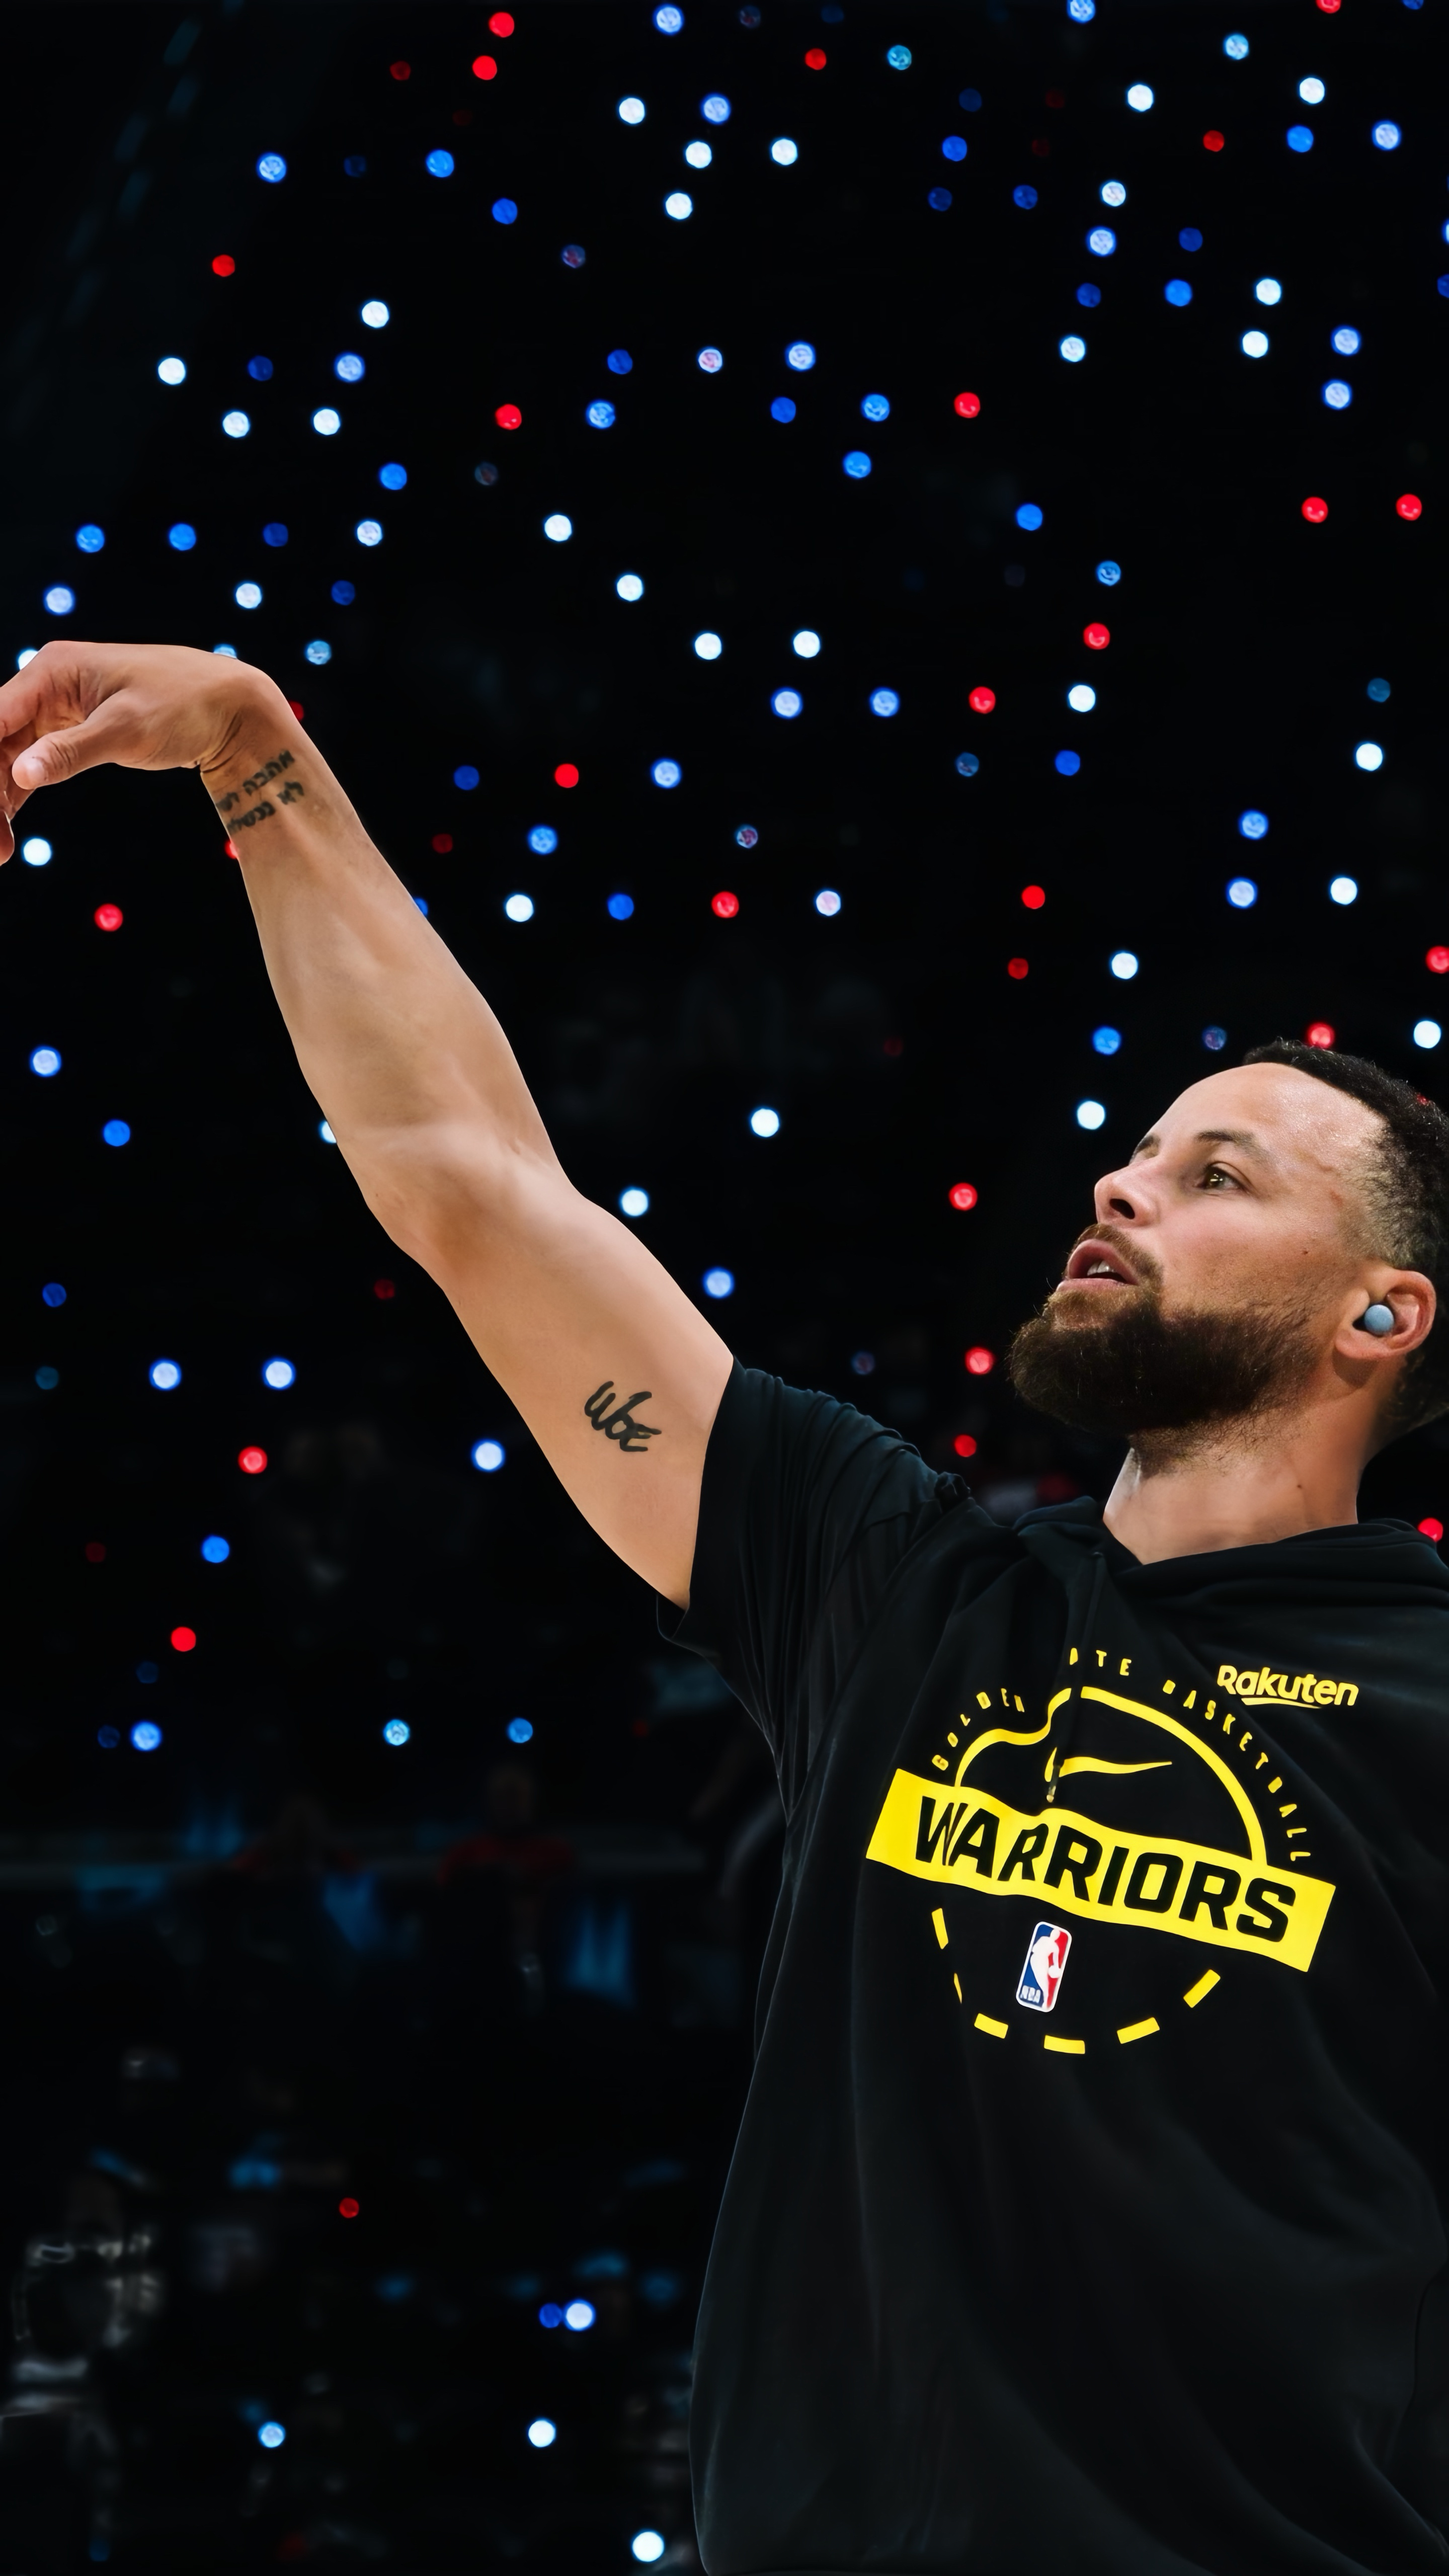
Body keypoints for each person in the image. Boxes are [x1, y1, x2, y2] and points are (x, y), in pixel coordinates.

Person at [3, 642, 1447, 2575]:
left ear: (1381, 1313)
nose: (1123, 1187)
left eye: (1216, 1175)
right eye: (1133, 1153)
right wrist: (260, 763)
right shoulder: (893, 1584)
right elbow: (473, 1187)